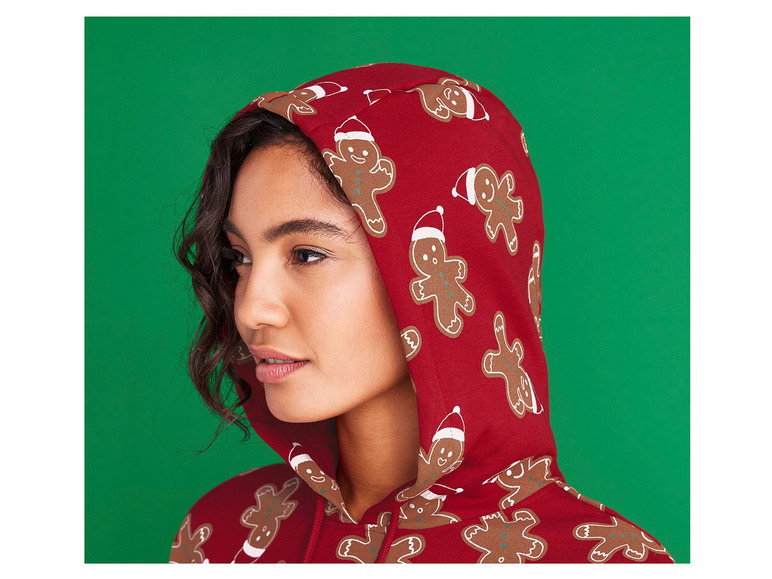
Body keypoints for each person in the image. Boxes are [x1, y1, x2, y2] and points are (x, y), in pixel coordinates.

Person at [169, 63, 674, 564]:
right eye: (239, 258)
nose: (251, 308)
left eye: (306, 255)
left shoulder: (604, 562)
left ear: (454, 267)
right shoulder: (221, 535)